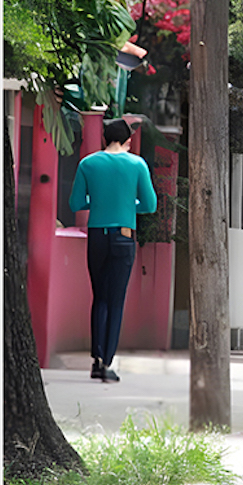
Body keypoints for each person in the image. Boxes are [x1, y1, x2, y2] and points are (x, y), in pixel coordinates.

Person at [69, 117, 158, 382]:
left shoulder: (88, 163)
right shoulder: (137, 164)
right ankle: (107, 362)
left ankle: (95, 360)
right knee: (116, 299)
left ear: (104, 139)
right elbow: (150, 205)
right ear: (128, 140)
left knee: (99, 297)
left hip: (97, 235)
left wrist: (98, 202)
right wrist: (128, 204)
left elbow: (75, 203)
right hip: (123, 236)